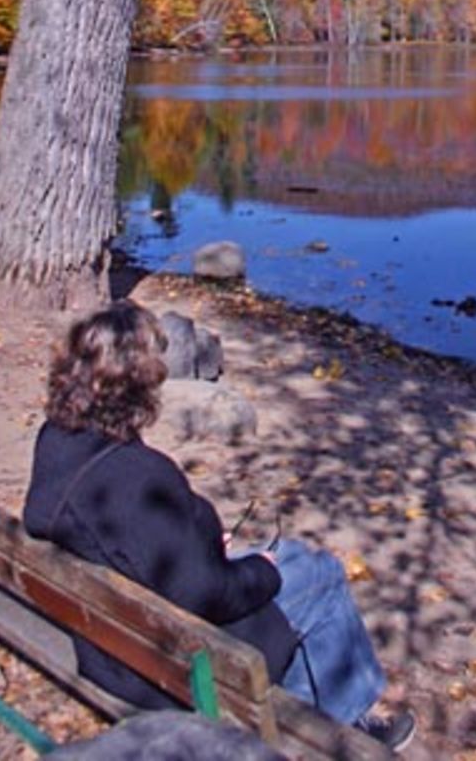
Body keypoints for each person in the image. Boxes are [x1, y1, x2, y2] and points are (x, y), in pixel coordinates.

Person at [22, 301, 415, 753]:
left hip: (107, 633)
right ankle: (340, 729)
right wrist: (261, 569)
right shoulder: (137, 476)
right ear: (136, 385)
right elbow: (207, 594)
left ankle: (317, 707)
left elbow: (136, 547)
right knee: (318, 571)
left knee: (293, 556)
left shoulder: (58, 439)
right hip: (164, 664)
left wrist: (205, 541)